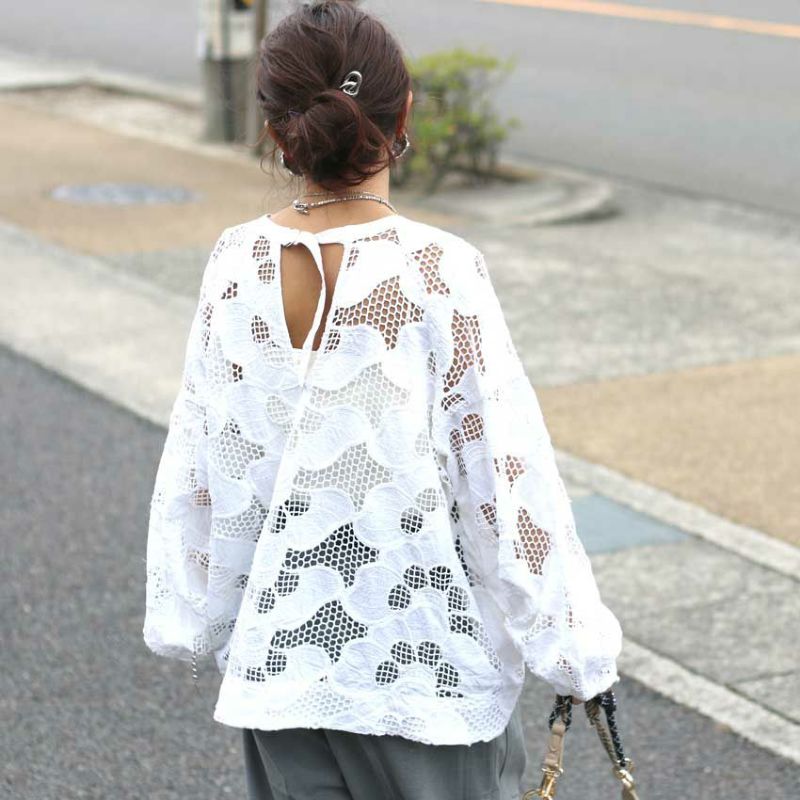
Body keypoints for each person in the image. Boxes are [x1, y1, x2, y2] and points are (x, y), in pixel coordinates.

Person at [142, 2, 622, 798]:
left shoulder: (235, 263)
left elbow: (208, 464)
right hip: (427, 667)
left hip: (283, 663)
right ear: (403, 116)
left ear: (277, 131)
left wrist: (197, 618)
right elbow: (502, 481)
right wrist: (574, 650)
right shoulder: (437, 269)